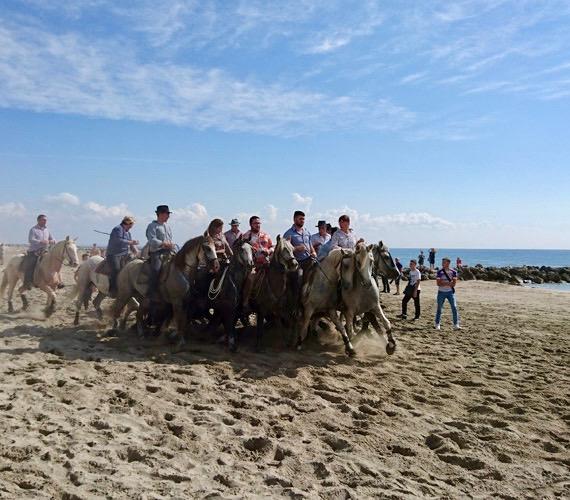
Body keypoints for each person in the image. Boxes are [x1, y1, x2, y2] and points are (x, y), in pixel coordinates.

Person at [146, 205, 175, 300]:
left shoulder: (168, 226)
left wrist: (171, 245)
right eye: (167, 214)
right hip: (157, 252)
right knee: (156, 270)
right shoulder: (152, 226)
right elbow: (151, 239)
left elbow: (169, 239)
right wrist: (163, 244)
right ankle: (152, 293)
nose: (168, 216)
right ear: (161, 214)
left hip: (169, 252)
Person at [106, 216, 139, 297]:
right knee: (116, 270)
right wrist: (131, 242)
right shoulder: (117, 229)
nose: (132, 227)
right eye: (131, 225)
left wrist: (137, 251)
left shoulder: (128, 233)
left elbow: (131, 245)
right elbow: (118, 241)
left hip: (125, 254)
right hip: (114, 254)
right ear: (127, 223)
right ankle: (113, 290)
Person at [23, 214, 55, 290]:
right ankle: (28, 283)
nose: (45, 221)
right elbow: (31, 240)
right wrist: (41, 242)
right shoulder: (33, 229)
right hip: (34, 252)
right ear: (38, 220)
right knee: (31, 265)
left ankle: (58, 281)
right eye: (43, 220)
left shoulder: (47, 230)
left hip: (45, 252)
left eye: (46, 220)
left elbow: (54, 240)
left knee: (55, 264)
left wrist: (51, 241)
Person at [435, 257, 460, 330]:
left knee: (454, 308)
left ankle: (456, 324)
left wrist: (444, 282)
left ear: (448, 263)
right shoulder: (439, 272)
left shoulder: (453, 272)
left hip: (450, 293)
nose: (442, 264)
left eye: (444, 262)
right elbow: (438, 284)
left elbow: (454, 284)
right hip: (441, 292)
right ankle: (437, 323)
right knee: (439, 308)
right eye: (442, 262)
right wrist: (449, 283)